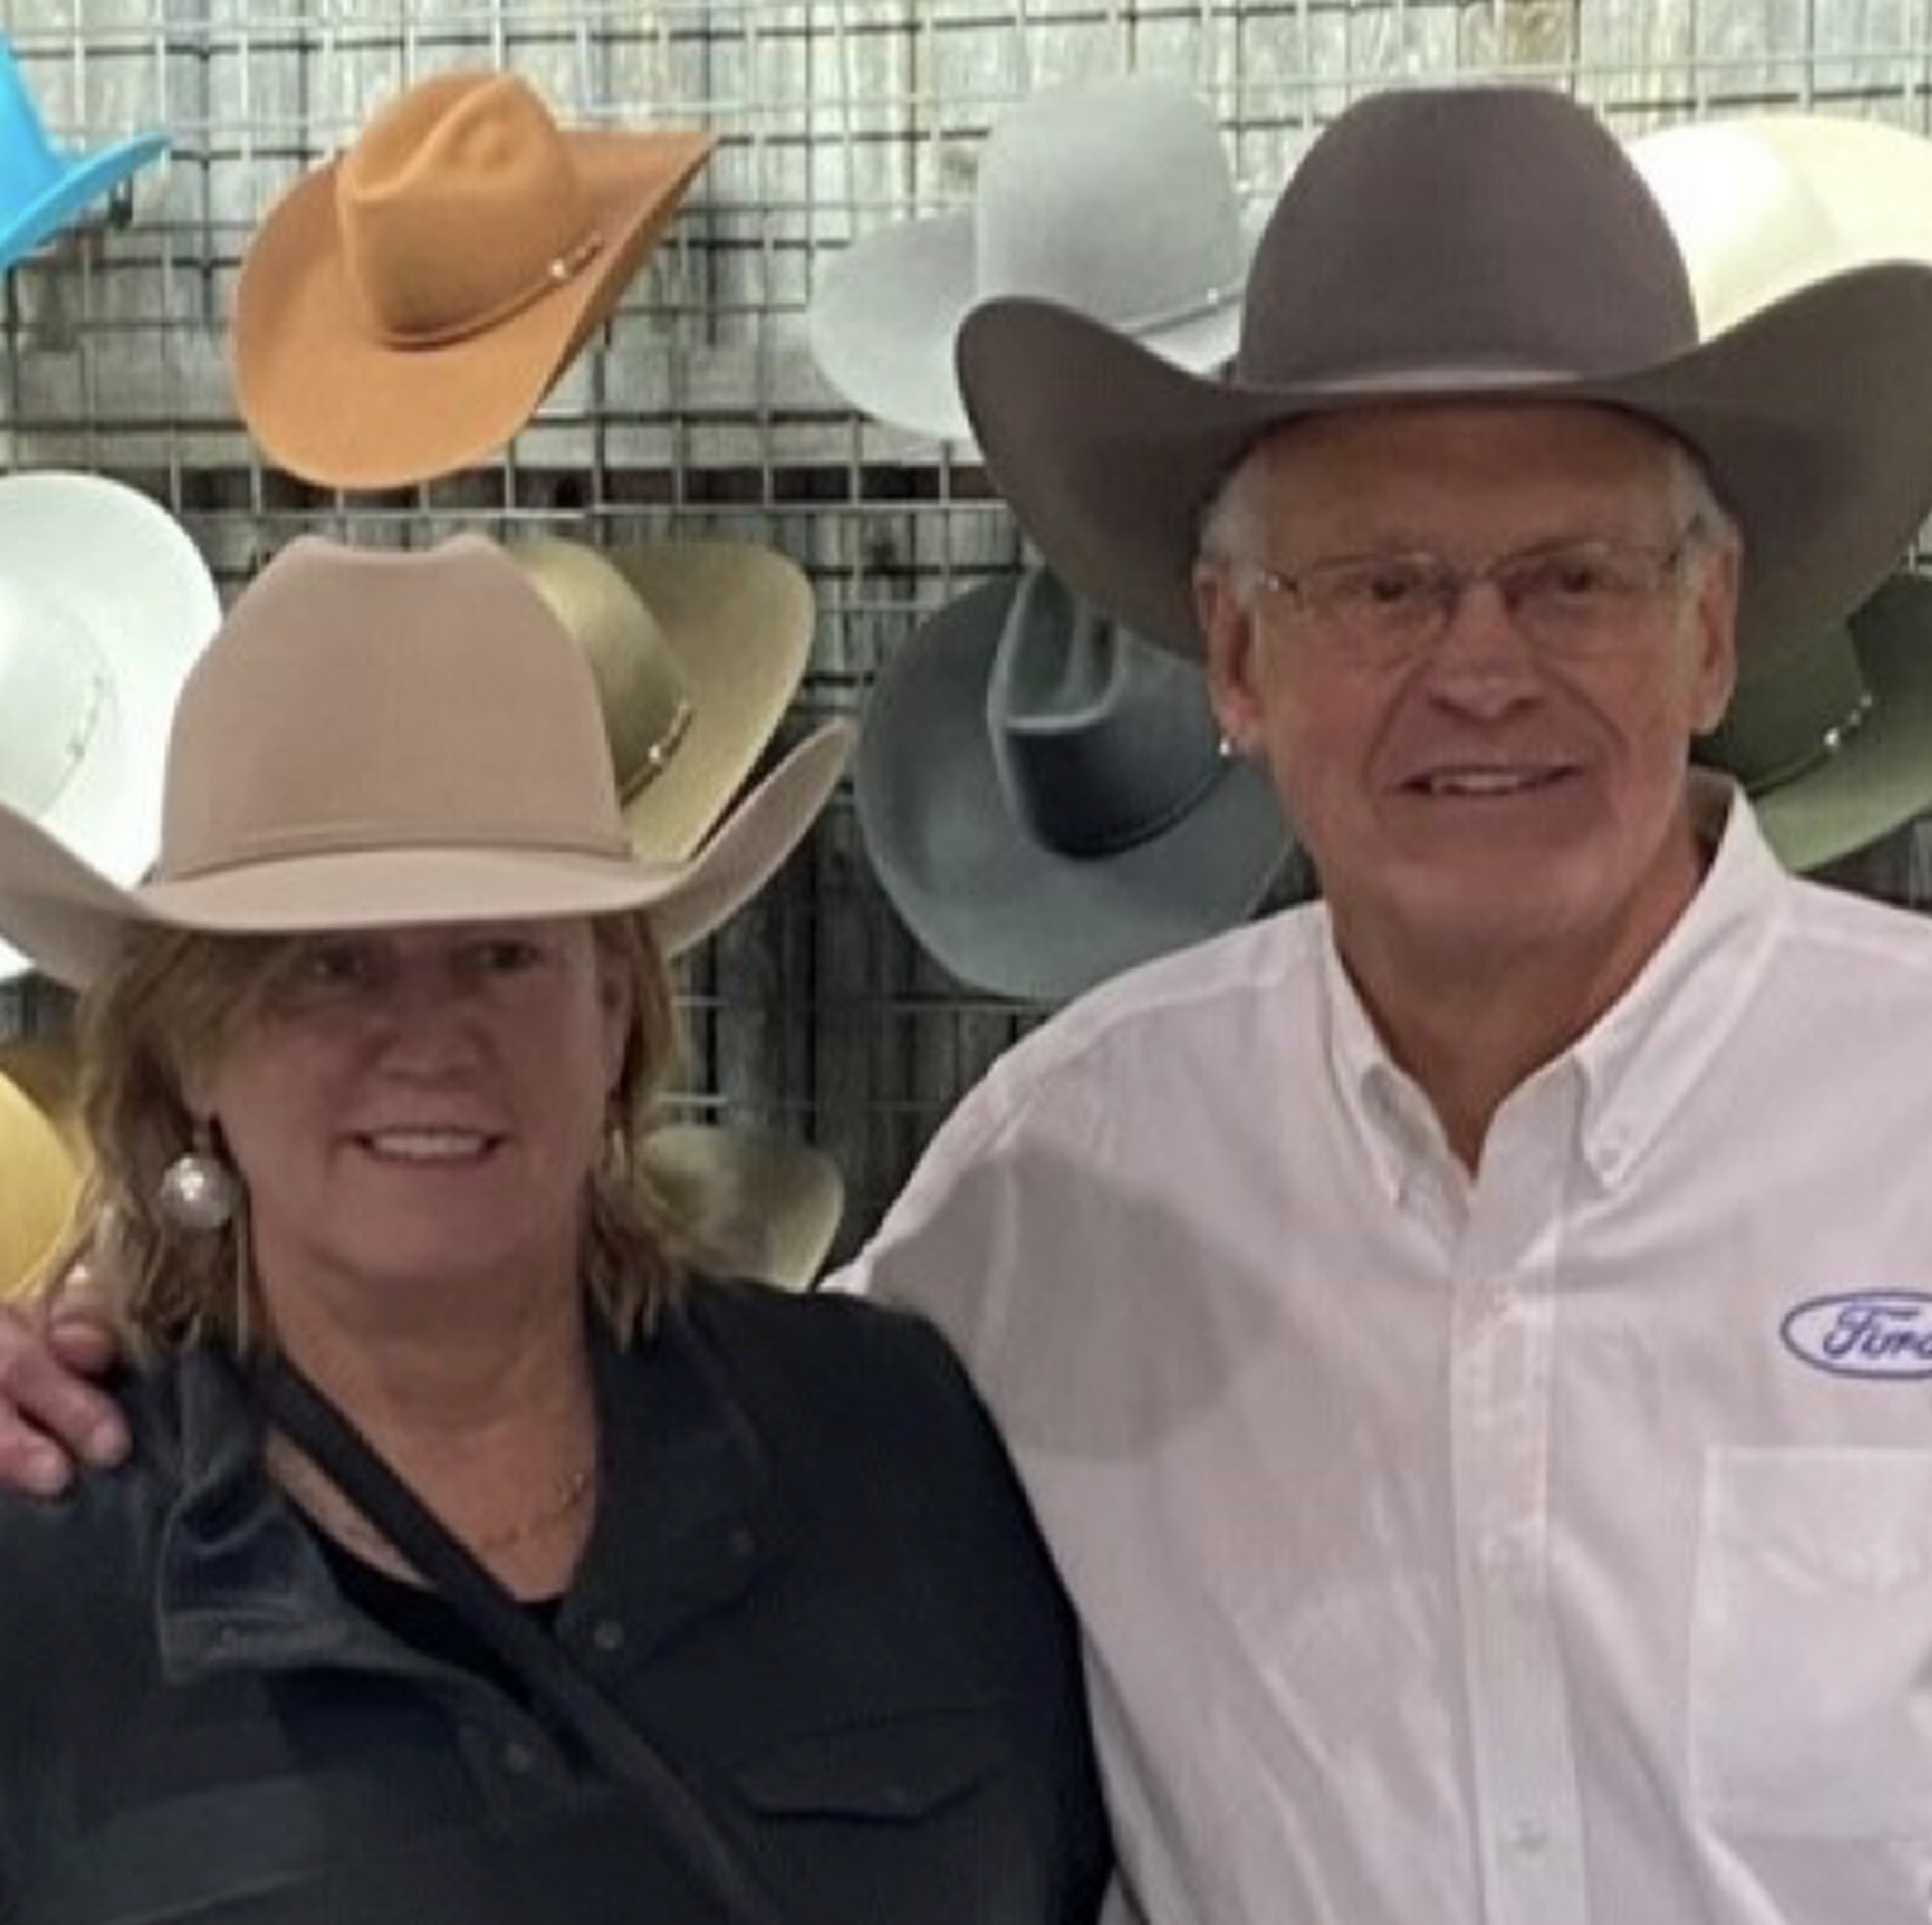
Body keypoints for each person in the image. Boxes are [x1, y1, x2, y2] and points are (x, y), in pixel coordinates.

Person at [14, 81, 1932, 1925]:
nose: (1483, 666)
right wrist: (137, 1312)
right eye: (1384, 585)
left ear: (1707, 625)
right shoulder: (1065, 1179)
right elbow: (509, 1322)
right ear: (1240, 657)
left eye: (1573, 576)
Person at [0, 534, 1109, 1924]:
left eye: (505, 950)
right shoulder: (47, 1574)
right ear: (195, 1055)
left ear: (613, 1014)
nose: (428, 1034)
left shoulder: (889, 1437)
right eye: (328, 962)